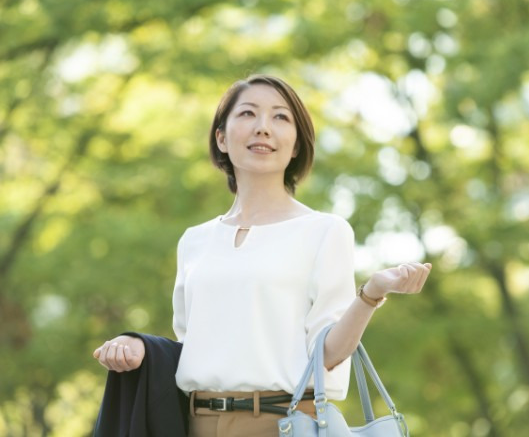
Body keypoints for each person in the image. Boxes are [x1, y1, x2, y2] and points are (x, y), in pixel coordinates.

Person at [93, 74, 432, 437]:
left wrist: (371, 294)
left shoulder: (325, 231)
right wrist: (140, 348)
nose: (263, 128)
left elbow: (328, 354)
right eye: (248, 114)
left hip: (286, 424)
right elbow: (190, 349)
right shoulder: (195, 241)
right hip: (199, 424)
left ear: (297, 145)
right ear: (221, 138)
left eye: (280, 117)